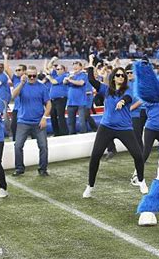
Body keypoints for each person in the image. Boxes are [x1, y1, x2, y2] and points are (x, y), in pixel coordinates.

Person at [83, 66, 147, 198]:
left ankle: (141, 181)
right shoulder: (106, 90)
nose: (121, 77)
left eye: (122, 75)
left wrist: (122, 101)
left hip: (124, 128)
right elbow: (91, 79)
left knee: (138, 155)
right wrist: (90, 64)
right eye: (118, 75)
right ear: (113, 77)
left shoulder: (128, 89)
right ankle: (90, 186)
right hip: (106, 127)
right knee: (95, 156)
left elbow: (128, 98)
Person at [11, 66, 52, 176]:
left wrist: (44, 118)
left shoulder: (42, 87)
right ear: (26, 75)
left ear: (37, 75)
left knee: (43, 146)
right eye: (30, 76)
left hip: (38, 122)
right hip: (23, 121)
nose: (32, 77)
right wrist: (21, 84)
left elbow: (48, 104)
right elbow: (13, 96)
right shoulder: (21, 85)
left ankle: (43, 169)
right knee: (18, 145)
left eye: (34, 75)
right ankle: (19, 168)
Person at [3, 52, 26, 141]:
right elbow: (6, 69)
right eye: (16, 70)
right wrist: (5, 57)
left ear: (24, 71)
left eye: (19, 70)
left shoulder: (30, 79)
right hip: (17, 108)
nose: (17, 72)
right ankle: (15, 143)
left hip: (26, 107)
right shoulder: (15, 79)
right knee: (14, 126)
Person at [46, 60, 69, 136]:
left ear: (63, 70)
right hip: (53, 99)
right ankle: (56, 132)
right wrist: (52, 60)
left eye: (59, 69)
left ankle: (64, 132)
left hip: (61, 99)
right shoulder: (56, 75)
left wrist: (49, 78)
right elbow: (48, 67)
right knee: (53, 116)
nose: (57, 70)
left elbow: (54, 82)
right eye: (57, 69)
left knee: (60, 115)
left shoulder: (64, 76)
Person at [65, 61, 87, 134]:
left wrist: (70, 80)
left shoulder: (83, 75)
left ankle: (84, 136)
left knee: (82, 122)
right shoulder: (70, 75)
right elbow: (64, 82)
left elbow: (81, 83)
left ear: (80, 67)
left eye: (77, 66)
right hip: (70, 102)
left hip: (81, 102)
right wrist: (68, 78)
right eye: (74, 66)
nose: (75, 67)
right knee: (70, 122)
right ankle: (72, 136)